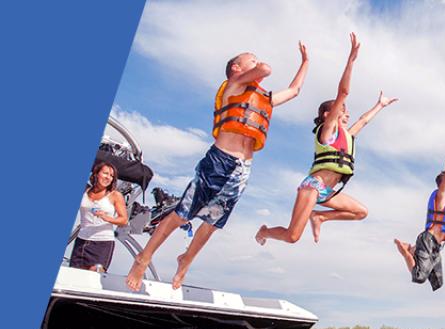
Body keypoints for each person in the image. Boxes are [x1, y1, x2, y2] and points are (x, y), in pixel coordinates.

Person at [126, 42, 310, 291]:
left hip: (242, 170)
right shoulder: (233, 87)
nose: (257, 63)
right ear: (237, 68)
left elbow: (295, 90)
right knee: (182, 214)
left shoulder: (263, 98)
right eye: (251, 60)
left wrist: (305, 62)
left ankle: (186, 259)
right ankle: (143, 258)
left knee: (212, 223)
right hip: (219, 162)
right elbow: (265, 70)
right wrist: (259, 67)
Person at [255, 33, 397, 245]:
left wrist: (380, 105)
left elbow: (363, 120)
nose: (346, 114)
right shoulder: (327, 130)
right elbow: (344, 91)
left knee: (361, 212)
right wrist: (350, 61)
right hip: (313, 187)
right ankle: (264, 231)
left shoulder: (347, 136)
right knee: (292, 236)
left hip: (328, 192)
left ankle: (319, 216)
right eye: (342, 111)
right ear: (327, 115)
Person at [394, 128, 445, 291]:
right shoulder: (442, 194)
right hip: (428, 240)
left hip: (436, 245)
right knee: (419, 277)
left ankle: (412, 249)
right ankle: (406, 252)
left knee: (438, 283)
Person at [70, 161, 128, 272]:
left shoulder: (115, 195)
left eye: (111, 176)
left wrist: (106, 217)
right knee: (75, 276)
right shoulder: (85, 190)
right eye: (105, 173)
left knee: (93, 278)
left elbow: (124, 220)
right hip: (81, 241)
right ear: (96, 174)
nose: (108, 178)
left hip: (102, 243)